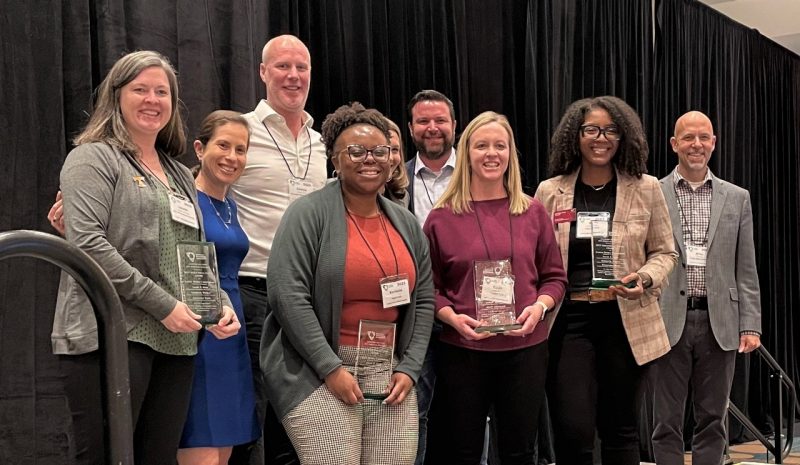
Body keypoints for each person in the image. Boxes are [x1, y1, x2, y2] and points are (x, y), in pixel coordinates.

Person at [52, 51, 240, 465]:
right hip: (111, 336)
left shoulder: (177, 173)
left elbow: (194, 254)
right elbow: (89, 245)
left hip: (176, 342)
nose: (152, 99)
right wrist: (165, 305)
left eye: (162, 91)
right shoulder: (92, 158)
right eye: (140, 89)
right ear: (116, 96)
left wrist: (218, 306)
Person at [259, 102, 434, 465]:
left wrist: (410, 367)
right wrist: (330, 367)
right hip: (318, 368)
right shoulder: (307, 213)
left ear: (392, 160)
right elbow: (286, 294)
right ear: (335, 160)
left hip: (389, 372)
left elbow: (425, 300)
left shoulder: (405, 223)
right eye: (355, 151)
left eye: (379, 151)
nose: (369, 159)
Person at [534, 96, 677, 465]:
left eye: (611, 130)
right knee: (573, 429)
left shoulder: (646, 188)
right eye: (592, 129)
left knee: (621, 429)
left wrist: (644, 278)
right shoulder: (550, 192)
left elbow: (666, 252)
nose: (602, 138)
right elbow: (533, 259)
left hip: (625, 320)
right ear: (575, 136)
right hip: (569, 322)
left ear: (624, 136)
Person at [424, 111, 567, 465]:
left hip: (525, 350)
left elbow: (555, 278)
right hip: (462, 351)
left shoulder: (533, 212)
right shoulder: (440, 218)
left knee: (519, 451)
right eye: (481, 145)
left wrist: (540, 308)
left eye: (500, 146)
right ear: (466, 153)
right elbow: (429, 287)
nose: (491, 153)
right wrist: (452, 318)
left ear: (510, 154)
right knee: (463, 451)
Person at [229, 34, 327, 465]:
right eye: (283, 66)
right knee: (250, 411)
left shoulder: (322, 140)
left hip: (309, 297)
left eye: (301, 67)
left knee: (300, 415)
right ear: (263, 72)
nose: (293, 76)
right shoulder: (240, 133)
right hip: (254, 291)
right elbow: (199, 193)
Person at [651, 111, 761, 465]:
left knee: (714, 419)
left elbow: (746, 267)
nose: (696, 145)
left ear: (713, 143)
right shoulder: (652, 191)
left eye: (703, 137)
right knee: (665, 421)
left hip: (721, 322)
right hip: (666, 318)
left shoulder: (737, 197)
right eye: (688, 138)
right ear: (674, 144)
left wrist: (751, 324)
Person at [178, 111, 261, 464]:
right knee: (202, 449)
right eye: (223, 145)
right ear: (200, 148)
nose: (232, 157)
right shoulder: (184, 202)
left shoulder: (231, 205)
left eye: (240, 150)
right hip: (199, 331)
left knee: (224, 451)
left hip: (233, 331)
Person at [403, 89, 458, 464]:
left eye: (440, 120)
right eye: (423, 121)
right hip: (412, 314)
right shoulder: (394, 179)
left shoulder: (483, 176)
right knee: (413, 412)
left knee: (467, 414)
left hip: (467, 313)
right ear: (411, 128)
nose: (432, 128)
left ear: (455, 126)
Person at [383, 118, 410, 208]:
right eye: (382, 150)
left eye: (394, 150)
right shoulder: (339, 196)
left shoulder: (402, 196)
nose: (390, 158)